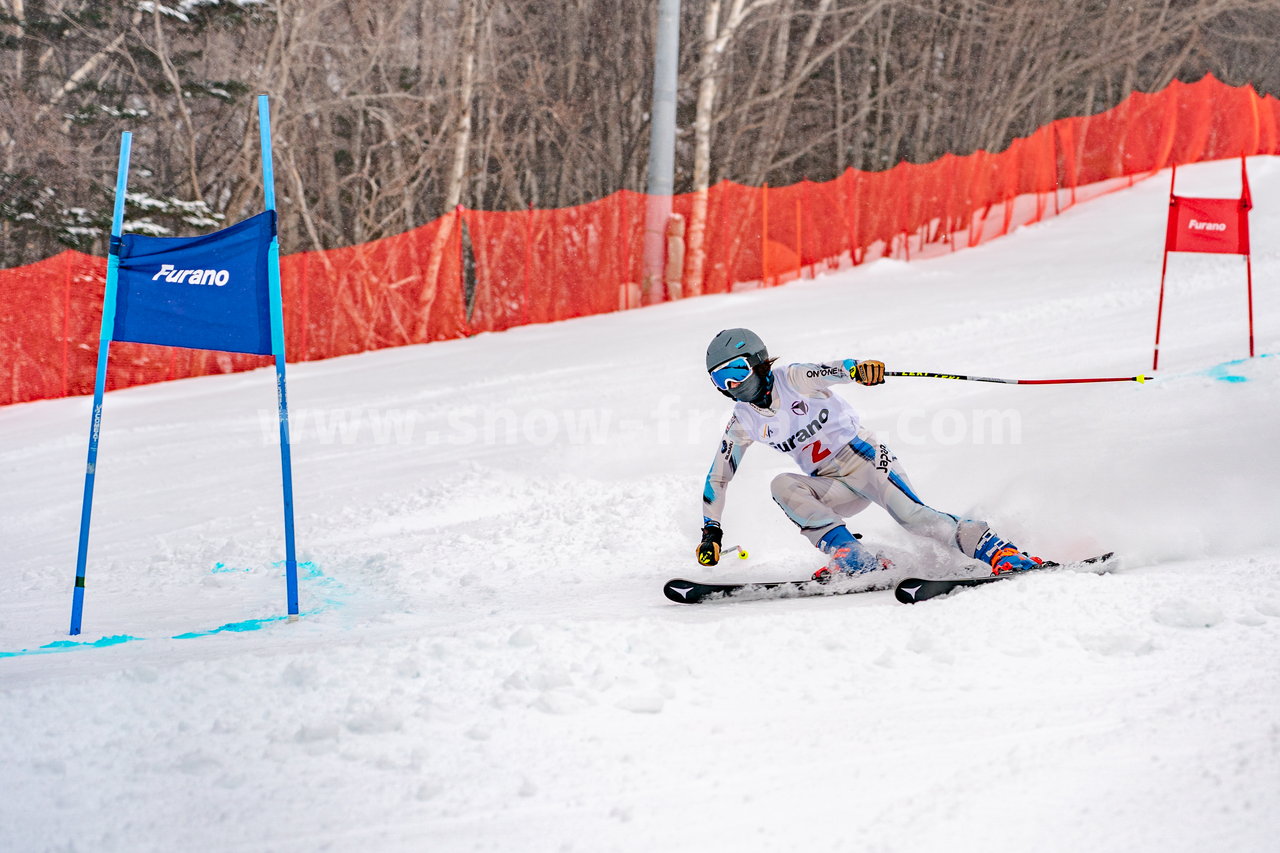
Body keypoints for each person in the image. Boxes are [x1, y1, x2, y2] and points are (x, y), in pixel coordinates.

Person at [696, 327, 1042, 580]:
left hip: (864, 461)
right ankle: (853, 558)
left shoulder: (795, 378)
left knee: (914, 518)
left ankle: (1000, 551)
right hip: (832, 484)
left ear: (757, 363)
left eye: (736, 372)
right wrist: (711, 531)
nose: (732, 386)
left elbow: (834, 369)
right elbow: (719, 476)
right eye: (720, 380)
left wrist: (859, 369)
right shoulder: (743, 421)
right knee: (783, 485)